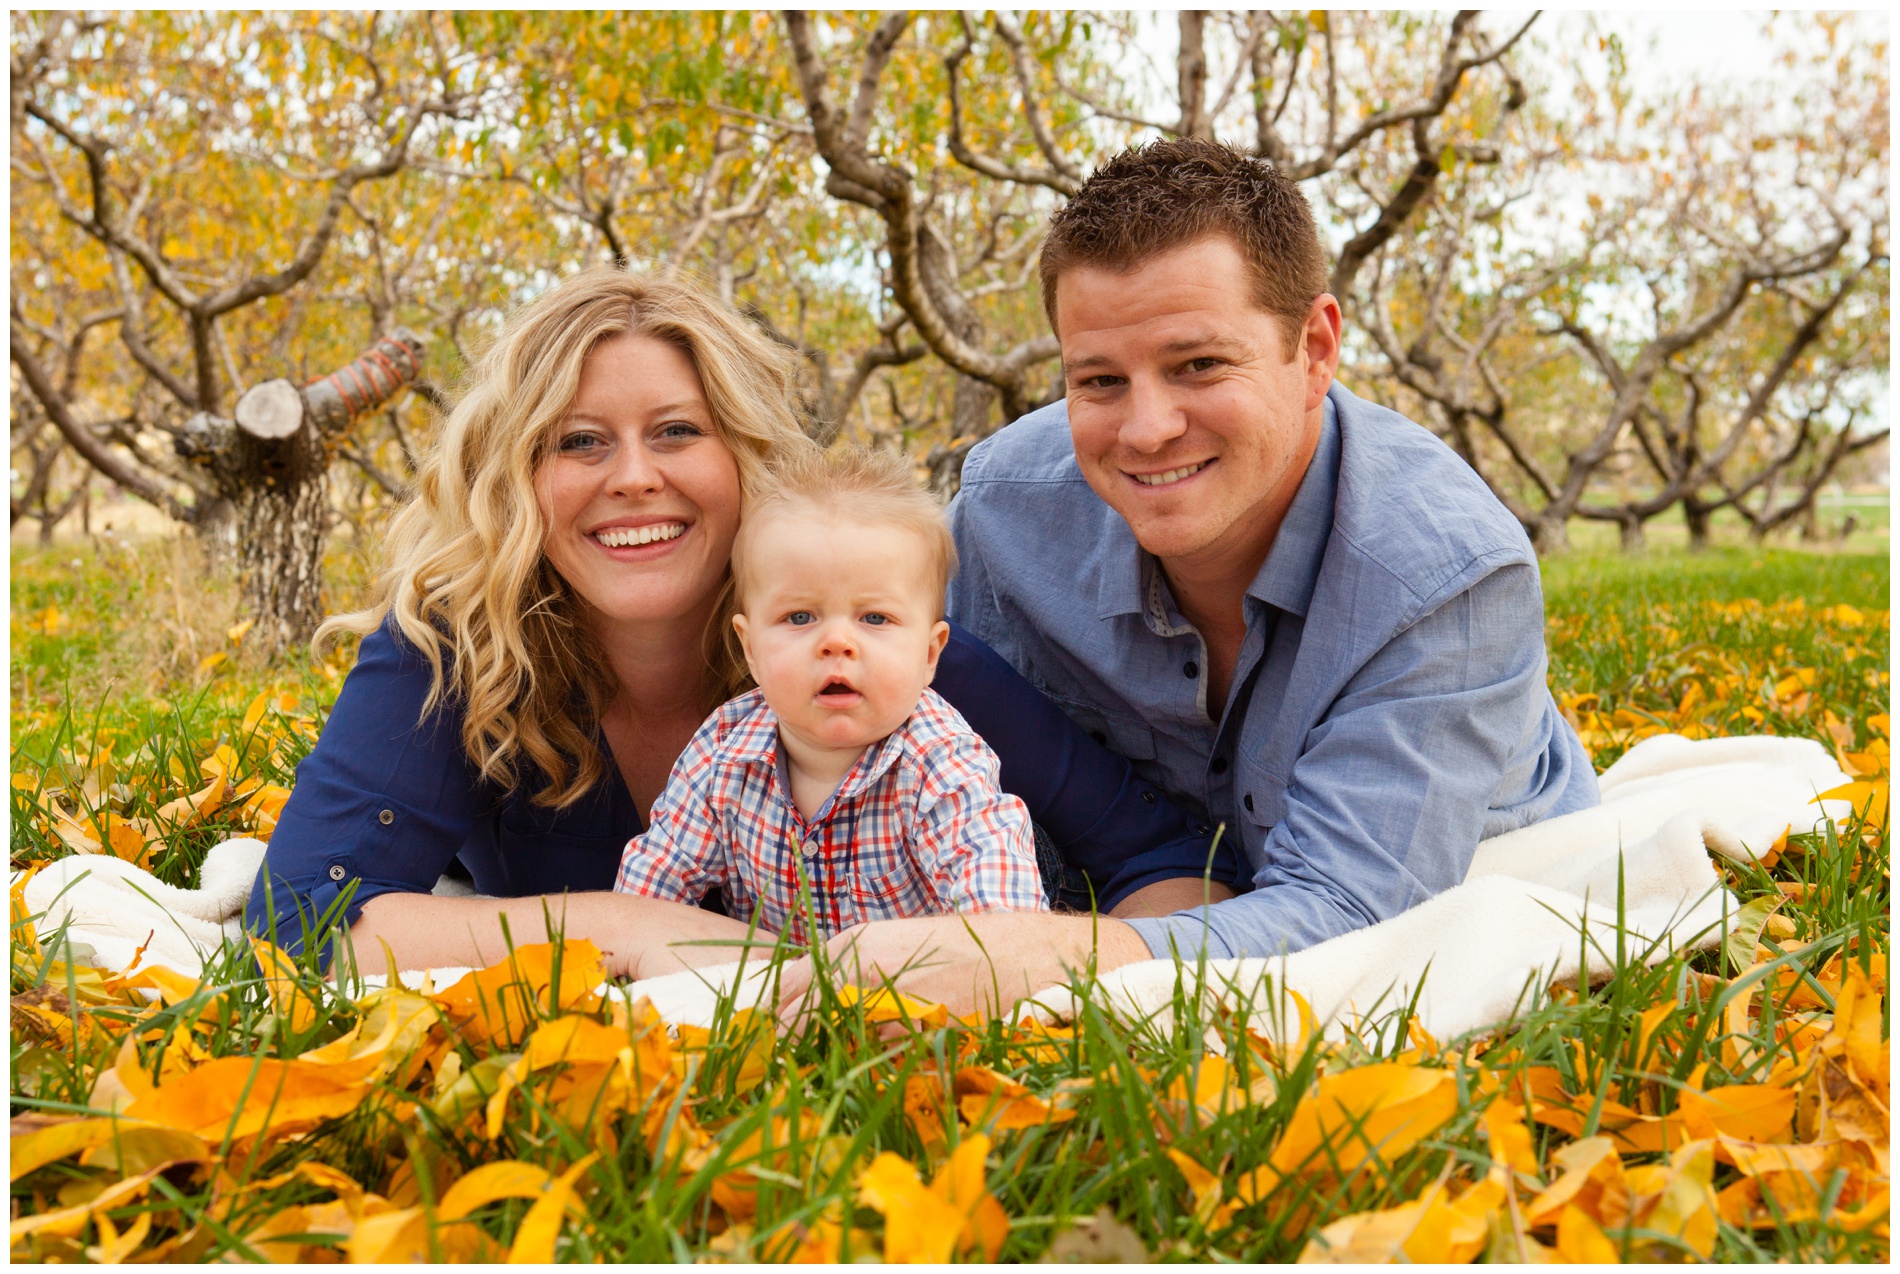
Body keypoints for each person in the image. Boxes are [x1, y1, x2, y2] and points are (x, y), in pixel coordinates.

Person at [774, 139, 1599, 1016]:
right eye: (1098, 380)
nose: (1147, 427)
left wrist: (1042, 960)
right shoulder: (1006, 512)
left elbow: (1349, 917)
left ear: (1315, 349)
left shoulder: (1448, 576)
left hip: (1443, 860)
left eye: (1198, 365)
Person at [245, 268, 1233, 979]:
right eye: (578, 441)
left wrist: (1030, 955)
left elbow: (1175, 872)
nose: (633, 475)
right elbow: (296, 920)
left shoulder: (877, 659)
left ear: (744, 459)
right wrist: (629, 925)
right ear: (517, 479)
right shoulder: (454, 648)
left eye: (677, 431)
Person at [616, 446, 1046, 940]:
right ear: (750, 647)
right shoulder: (724, 751)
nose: (837, 643)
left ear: (930, 654)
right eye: (800, 617)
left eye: (874, 618)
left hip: (912, 993)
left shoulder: (939, 762)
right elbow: (650, 887)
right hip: (785, 992)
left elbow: (1000, 913)